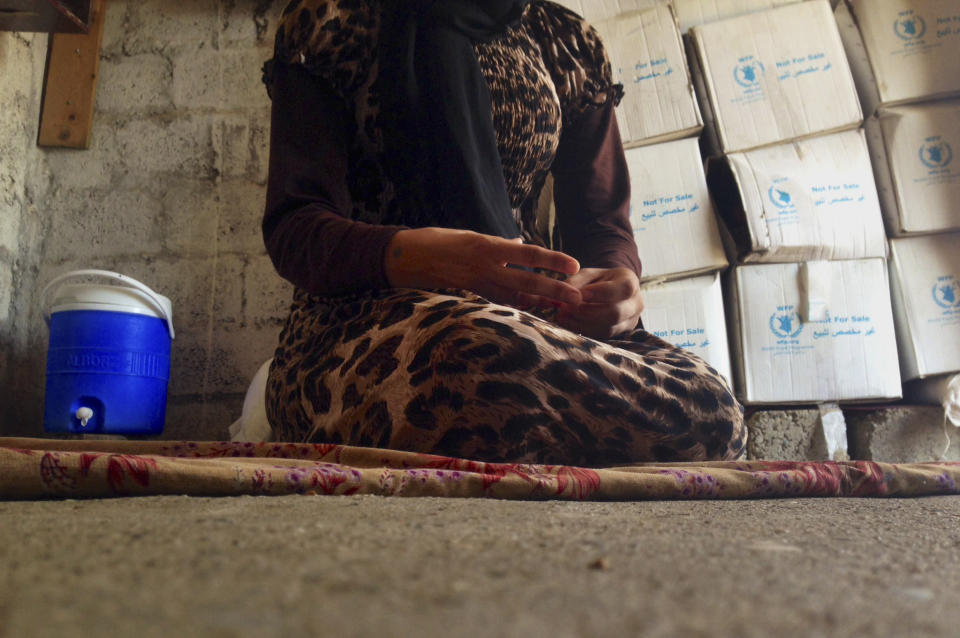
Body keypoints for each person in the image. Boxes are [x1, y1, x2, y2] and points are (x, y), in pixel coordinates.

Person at [261, 0, 746, 465]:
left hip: (529, 316)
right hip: (361, 322)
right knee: (478, 358)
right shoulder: (332, 18)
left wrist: (616, 285)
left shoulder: (566, 42)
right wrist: (425, 258)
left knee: (713, 411)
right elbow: (295, 225)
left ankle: (528, 421)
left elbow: (600, 224)